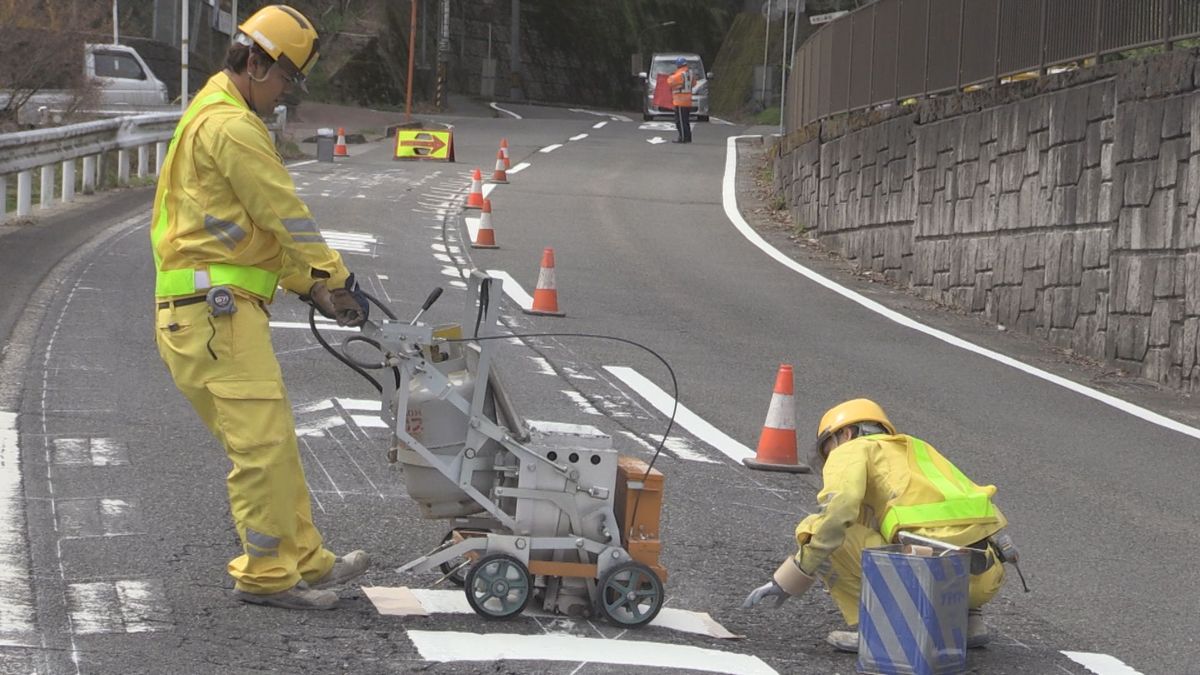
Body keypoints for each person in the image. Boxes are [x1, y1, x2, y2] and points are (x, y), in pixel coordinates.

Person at [151, 4, 372, 610]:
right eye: (283, 80)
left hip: (214, 310)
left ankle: (304, 559)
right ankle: (267, 577)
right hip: (212, 315)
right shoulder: (230, 126)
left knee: (273, 442)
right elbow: (283, 211)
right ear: (254, 61)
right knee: (259, 450)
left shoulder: (218, 113)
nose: (284, 96)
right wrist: (335, 275)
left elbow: (253, 235)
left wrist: (311, 287)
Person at [742, 399, 1008, 652]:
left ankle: (877, 630)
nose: (829, 457)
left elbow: (838, 512)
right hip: (984, 575)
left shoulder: (852, 449)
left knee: (820, 528)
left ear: (845, 434)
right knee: (928, 534)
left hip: (930, 572)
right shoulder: (917, 449)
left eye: (827, 449)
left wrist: (791, 577)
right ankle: (968, 623)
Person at [667, 56, 694, 143]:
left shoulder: (679, 74)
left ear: (678, 65)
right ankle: (688, 137)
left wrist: (672, 76)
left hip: (680, 101)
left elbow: (670, 81)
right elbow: (694, 83)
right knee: (686, 120)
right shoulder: (690, 73)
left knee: (680, 121)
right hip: (688, 100)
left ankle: (682, 138)